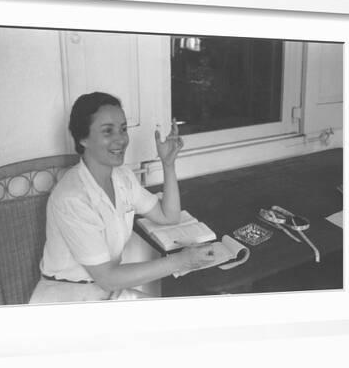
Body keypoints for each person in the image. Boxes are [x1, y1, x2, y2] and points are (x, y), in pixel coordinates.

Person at [29, 92, 216, 303]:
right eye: (108, 131)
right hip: (67, 299)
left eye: (123, 129)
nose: (121, 139)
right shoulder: (72, 198)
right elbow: (107, 278)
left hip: (108, 291)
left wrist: (168, 164)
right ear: (83, 138)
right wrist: (181, 261)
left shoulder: (122, 177)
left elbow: (168, 216)